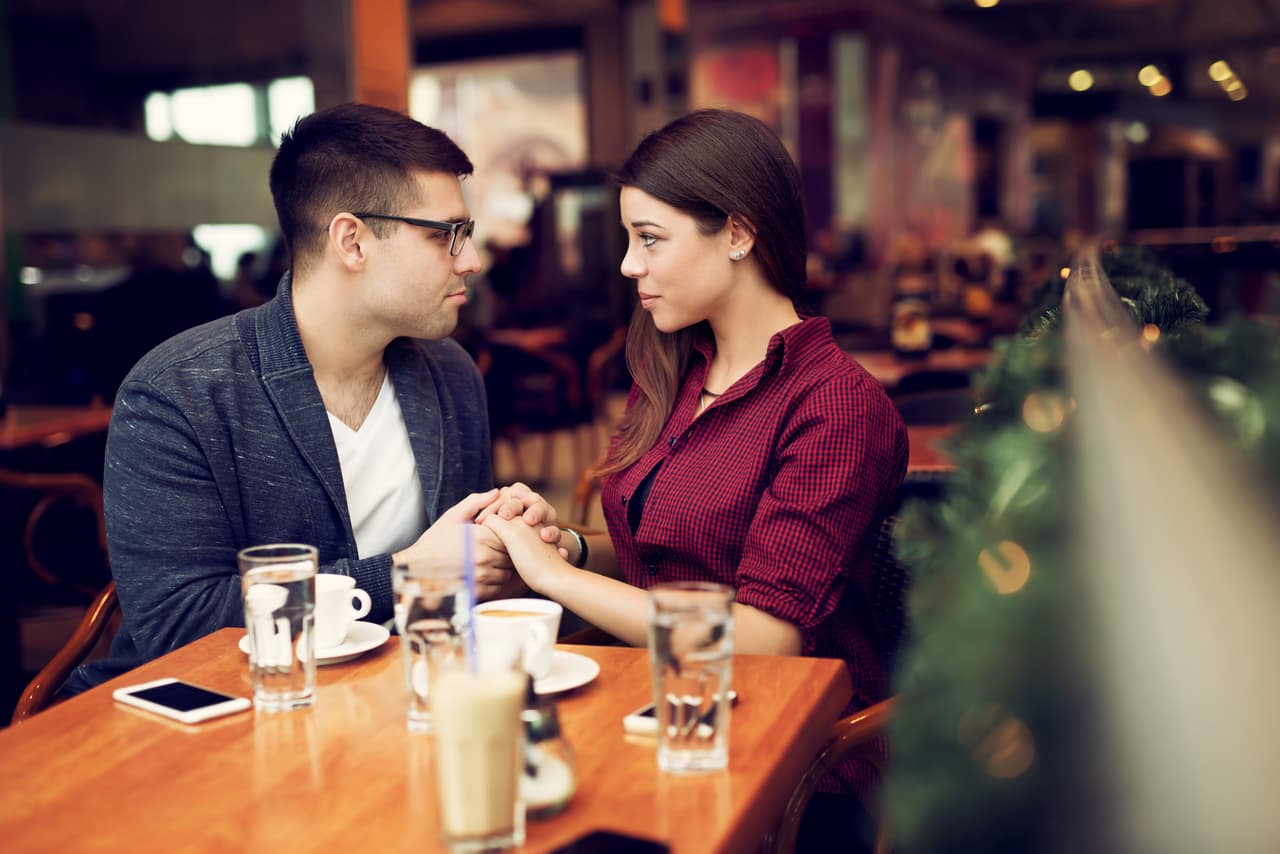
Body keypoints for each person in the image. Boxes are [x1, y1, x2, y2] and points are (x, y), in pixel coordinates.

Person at [481, 109, 908, 851]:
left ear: (739, 234)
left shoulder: (834, 404)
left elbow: (764, 641)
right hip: (659, 717)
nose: (627, 265)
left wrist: (553, 578)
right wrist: (568, 548)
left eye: (649, 239)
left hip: (795, 767)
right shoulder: (680, 370)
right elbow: (670, 555)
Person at [68, 102, 556, 693]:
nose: (472, 261)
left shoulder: (448, 373)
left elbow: (458, 581)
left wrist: (505, 538)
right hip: (212, 722)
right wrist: (402, 576)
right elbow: (181, 626)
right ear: (352, 241)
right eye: (446, 236)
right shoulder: (179, 393)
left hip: (392, 705)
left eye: (467, 235)